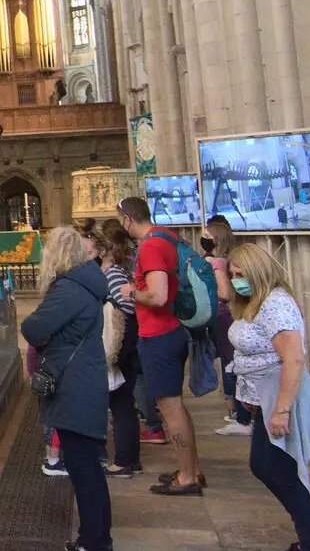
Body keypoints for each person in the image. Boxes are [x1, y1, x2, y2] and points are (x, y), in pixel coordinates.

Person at [226, 244, 310, 551]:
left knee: (281, 469)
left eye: (241, 274)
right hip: (265, 396)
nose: (235, 280)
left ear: (258, 273)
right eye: (232, 274)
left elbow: (293, 359)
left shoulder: (276, 304)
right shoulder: (254, 302)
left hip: (282, 395)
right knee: (264, 465)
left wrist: (282, 409)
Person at [21, 226, 112, 551]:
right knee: (87, 465)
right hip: (85, 377)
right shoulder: (87, 284)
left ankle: (94, 542)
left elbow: (33, 327)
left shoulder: (69, 289)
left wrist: (44, 336)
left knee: (83, 468)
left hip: (74, 384)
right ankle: (98, 538)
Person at [117, 196, 203, 495]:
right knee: (176, 406)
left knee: (170, 409)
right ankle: (191, 468)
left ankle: (188, 478)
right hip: (171, 331)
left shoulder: (151, 245)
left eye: (121, 221)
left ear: (127, 218)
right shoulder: (166, 236)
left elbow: (158, 296)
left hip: (159, 334)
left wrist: (130, 292)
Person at [95, 219, 141, 476]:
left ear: (104, 250)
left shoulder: (113, 273)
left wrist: (114, 349)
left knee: (121, 403)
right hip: (126, 344)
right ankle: (130, 457)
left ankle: (123, 460)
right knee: (123, 404)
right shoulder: (118, 270)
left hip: (122, 345)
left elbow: (124, 311)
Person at [204, 217, 253, 436]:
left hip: (224, 316)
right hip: (226, 316)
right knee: (230, 362)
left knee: (231, 363)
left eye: (206, 237)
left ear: (216, 240)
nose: (202, 240)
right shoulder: (223, 260)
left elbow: (224, 293)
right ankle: (240, 413)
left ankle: (242, 416)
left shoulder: (216, 263)